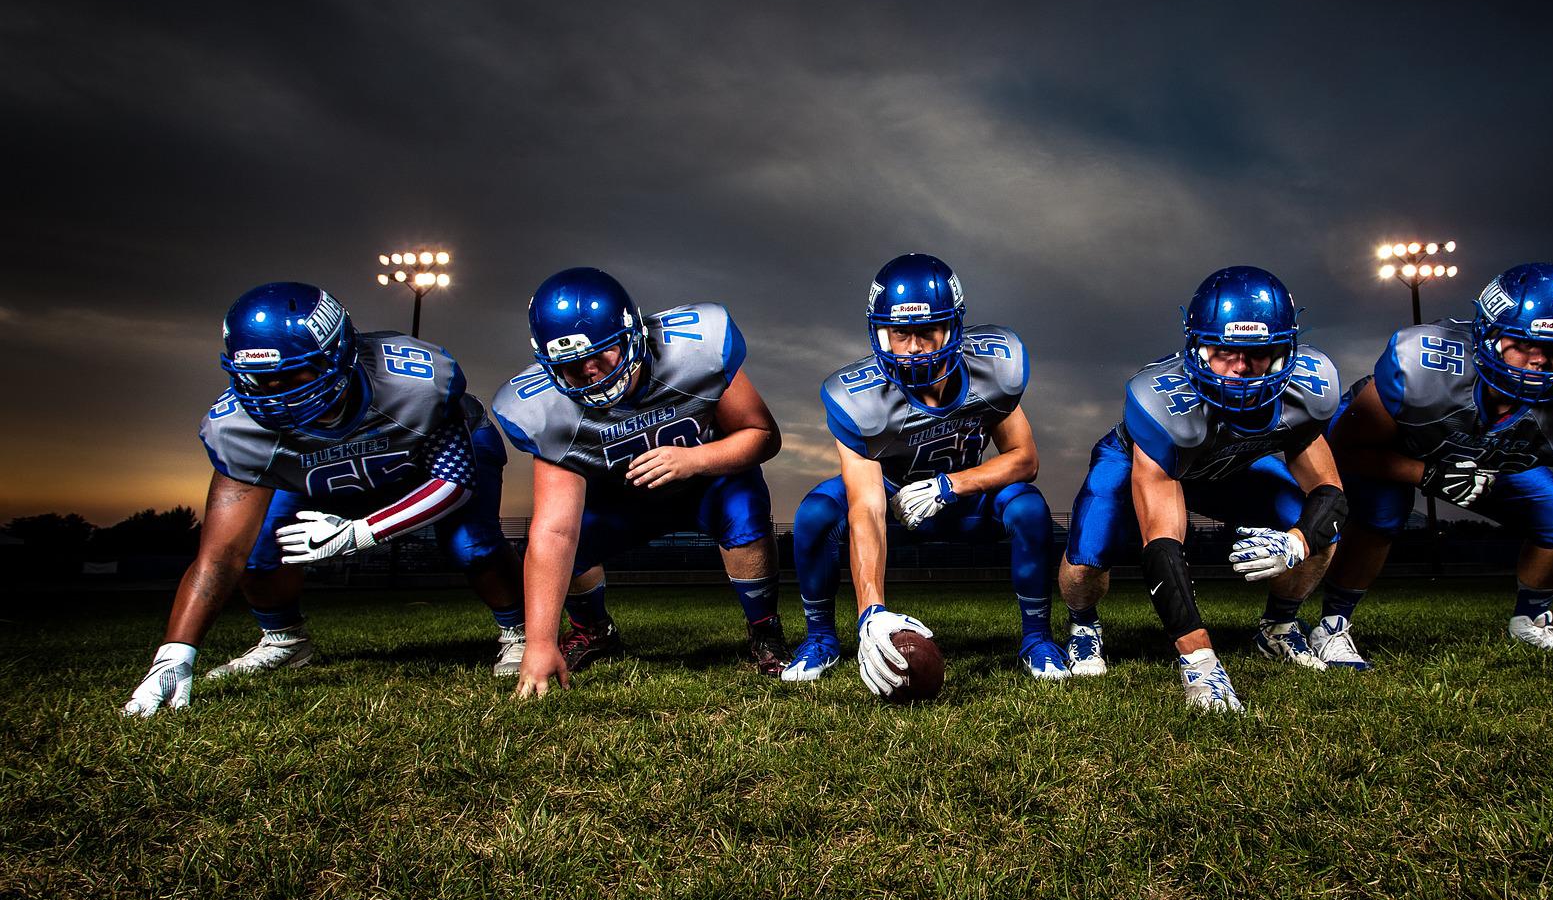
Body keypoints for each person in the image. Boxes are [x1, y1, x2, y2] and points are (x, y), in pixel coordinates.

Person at [123, 283, 525, 715]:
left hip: (424, 462)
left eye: (296, 374)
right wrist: (175, 654)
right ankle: (284, 639)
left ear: (340, 353)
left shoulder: (416, 383)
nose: (278, 392)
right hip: (319, 478)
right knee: (259, 548)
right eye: (261, 379)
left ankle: (519, 631)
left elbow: (455, 483)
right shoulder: (236, 429)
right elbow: (221, 556)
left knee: (471, 542)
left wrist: (361, 533)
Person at [1307, 262, 1553, 690]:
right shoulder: (1423, 365)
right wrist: (1427, 474)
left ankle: (1531, 619)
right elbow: (1348, 449)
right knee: (1383, 514)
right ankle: (1333, 623)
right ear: (1487, 334)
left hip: (1491, 458)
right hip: (1400, 446)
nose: (1540, 361)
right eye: (1524, 342)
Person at [1056, 266, 1348, 712]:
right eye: (1223, 351)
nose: (1240, 370)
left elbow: (1329, 492)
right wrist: (1200, 661)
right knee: (1085, 560)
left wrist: (1297, 541)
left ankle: (1278, 627)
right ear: (1196, 348)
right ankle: (1083, 625)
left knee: (1320, 531)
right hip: (1145, 460)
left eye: (1259, 353)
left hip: (1229, 469)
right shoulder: (1160, 402)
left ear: (1286, 351)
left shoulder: (1310, 388)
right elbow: (1162, 545)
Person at [491, 266, 788, 698]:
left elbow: (763, 436)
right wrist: (538, 643)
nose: (591, 371)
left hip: (703, 483)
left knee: (744, 505)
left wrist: (696, 459)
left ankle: (764, 628)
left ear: (632, 335)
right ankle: (592, 629)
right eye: (571, 366)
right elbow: (555, 529)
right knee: (560, 541)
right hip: (619, 500)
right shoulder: (543, 410)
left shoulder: (697, 349)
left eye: (602, 353)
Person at [785, 252, 1071, 697]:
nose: (914, 347)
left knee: (1030, 508)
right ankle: (822, 638)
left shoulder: (991, 369)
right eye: (900, 334)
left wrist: (951, 485)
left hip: (962, 496)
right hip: (891, 497)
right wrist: (872, 611)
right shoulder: (858, 399)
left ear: (952, 328)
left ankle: (1037, 638)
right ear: (880, 333)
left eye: (926, 332)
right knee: (816, 513)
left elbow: (1024, 458)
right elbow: (865, 504)